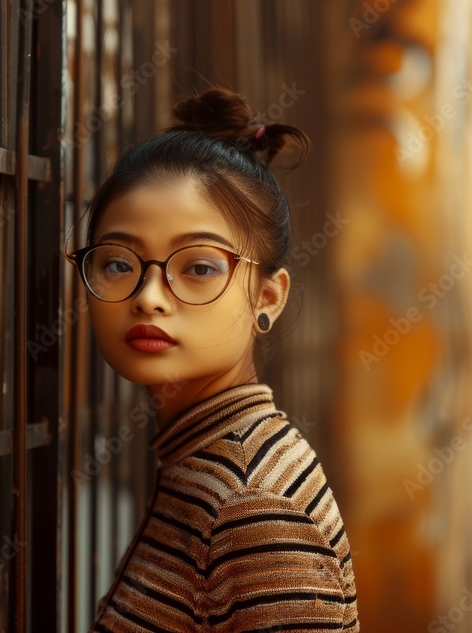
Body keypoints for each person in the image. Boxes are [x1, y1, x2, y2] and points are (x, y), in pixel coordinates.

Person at [67, 88, 361, 632]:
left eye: (199, 267)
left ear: (268, 296)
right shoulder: (200, 462)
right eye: (117, 262)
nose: (149, 296)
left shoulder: (254, 505)